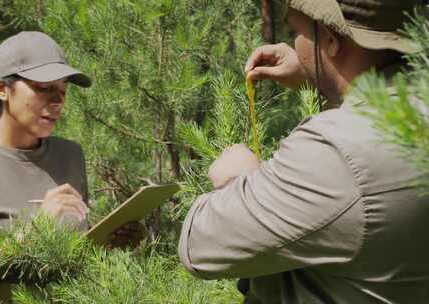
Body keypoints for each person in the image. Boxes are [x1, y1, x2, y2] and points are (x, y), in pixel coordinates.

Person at [178, 0, 429, 303]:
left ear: (331, 39)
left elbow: (199, 247)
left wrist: (240, 180)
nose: (295, 46)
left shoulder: (336, 154)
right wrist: (323, 70)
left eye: (296, 32)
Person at [0, 31, 143, 304]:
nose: (57, 102)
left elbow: (73, 258)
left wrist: (107, 244)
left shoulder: (69, 155)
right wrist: (33, 232)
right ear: (1, 89)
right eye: (44, 88)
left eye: (62, 91)